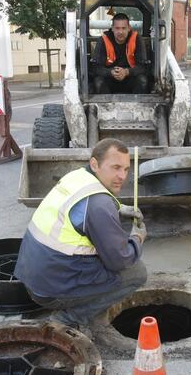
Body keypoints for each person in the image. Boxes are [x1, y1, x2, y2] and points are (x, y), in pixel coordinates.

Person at [14, 138, 148, 333]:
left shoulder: (77, 176)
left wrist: (119, 208)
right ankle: (68, 318)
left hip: (32, 278)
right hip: (51, 292)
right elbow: (119, 261)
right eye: (116, 167)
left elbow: (81, 211)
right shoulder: (99, 205)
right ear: (95, 164)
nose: (122, 176)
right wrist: (137, 238)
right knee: (137, 273)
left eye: (126, 169)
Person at [92, 13, 150, 94]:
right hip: (110, 79)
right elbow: (96, 68)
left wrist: (126, 72)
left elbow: (143, 68)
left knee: (142, 80)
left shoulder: (137, 39)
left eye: (123, 28)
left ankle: (138, 105)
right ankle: (106, 106)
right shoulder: (103, 40)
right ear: (112, 28)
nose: (120, 32)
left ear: (129, 28)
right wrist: (111, 72)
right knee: (98, 81)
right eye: (117, 28)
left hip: (130, 79)